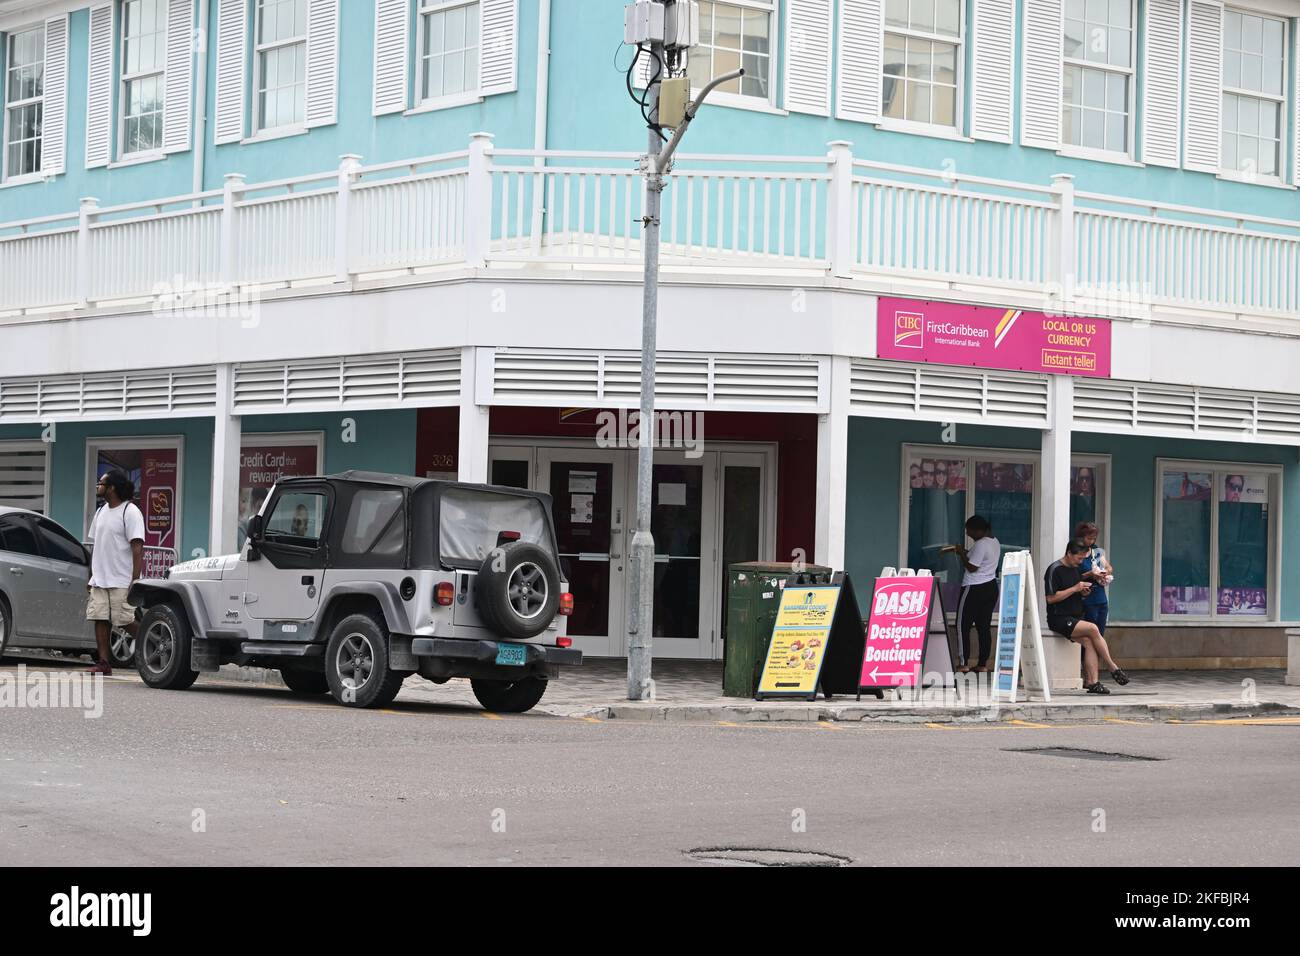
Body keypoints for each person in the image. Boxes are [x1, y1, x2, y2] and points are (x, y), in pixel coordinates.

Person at [1045, 540, 1130, 694]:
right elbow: (1051, 598)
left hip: (1075, 616)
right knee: (1092, 628)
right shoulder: (1054, 569)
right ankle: (1112, 667)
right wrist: (1074, 588)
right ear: (1069, 554)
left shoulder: (1076, 570)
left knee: (1089, 642)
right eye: (1079, 558)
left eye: (1083, 559)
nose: (1081, 562)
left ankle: (1093, 683)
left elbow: (1077, 589)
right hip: (1059, 618)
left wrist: (1082, 592)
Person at [85, 470, 145, 675]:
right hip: (100, 579)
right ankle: (104, 663)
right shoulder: (100, 511)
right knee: (100, 618)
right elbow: (96, 546)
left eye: (101, 483)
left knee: (124, 620)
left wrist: (134, 580)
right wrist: (91, 575)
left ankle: (152, 643)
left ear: (112, 487)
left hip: (121, 578)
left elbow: (137, 547)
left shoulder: (130, 511)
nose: (98, 486)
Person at [952, 515, 1000, 674]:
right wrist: (965, 552)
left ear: (978, 530)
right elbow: (980, 559)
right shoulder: (994, 541)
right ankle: (982, 664)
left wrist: (961, 554)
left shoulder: (980, 544)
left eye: (969, 531)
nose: (967, 534)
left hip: (974, 587)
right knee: (983, 627)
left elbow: (972, 567)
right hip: (990, 587)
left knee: (962, 625)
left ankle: (964, 662)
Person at [1075, 521, 1113, 636]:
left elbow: (1109, 567)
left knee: (1100, 633)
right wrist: (1090, 574)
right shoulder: (1076, 551)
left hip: (1100, 597)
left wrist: (1104, 573)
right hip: (1086, 598)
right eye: (1089, 538)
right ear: (1081, 537)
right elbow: (1072, 576)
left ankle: (1097, 654)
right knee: (1089, 633)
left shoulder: (1096, 551)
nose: (1091, 541)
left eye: (1094, 538)